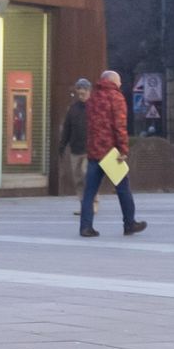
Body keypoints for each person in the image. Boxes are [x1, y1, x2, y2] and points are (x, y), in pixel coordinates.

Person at [79, 70, 146, 239]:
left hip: (95, 152)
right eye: (119, 81)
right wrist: (123, 150)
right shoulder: (116, 97)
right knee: (123, 189)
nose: (121, 84)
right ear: (112, 82)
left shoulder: (93, 98)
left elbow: (90, 125)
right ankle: (129, 224)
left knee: (89, 192)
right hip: (110, 154)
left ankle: (86, 227)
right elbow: (120, 126)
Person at [58, 78, 95, 216]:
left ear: (89, 91)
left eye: (84, 89)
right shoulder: (73, 109)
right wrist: (62, 146)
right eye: (79, 89)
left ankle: (93, 203)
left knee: (88, 175)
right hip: (75, 149)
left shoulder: (95, 107)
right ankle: (83, 204)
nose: (81, 92)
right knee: (78, 179)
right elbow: (67, 129)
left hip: (90, 149)